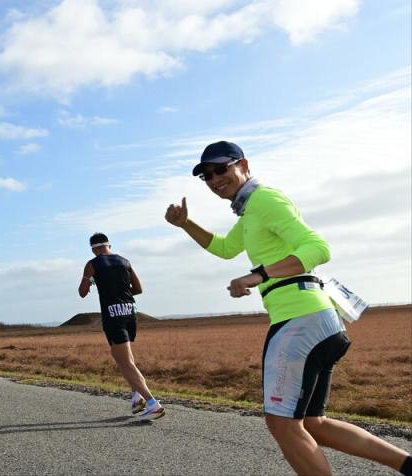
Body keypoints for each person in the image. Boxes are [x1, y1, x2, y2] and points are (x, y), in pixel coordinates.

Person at [165, 141, 412, 476]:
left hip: (300, 320)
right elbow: (225, 248)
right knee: (313, 424)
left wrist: (258, 275)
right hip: (315, 322)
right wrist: (186, 224)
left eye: (220, 169)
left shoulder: (266, 199)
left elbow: (318, 248)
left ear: (244, 165)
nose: (214, 179)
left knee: (282, 425)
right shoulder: (251, 211)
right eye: (206, 175)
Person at [78, 233, 164, 420]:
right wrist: (121, 292)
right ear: (109, 245)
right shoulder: (125, 261)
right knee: (128, 360)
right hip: (130, 313)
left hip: (112, 314)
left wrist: (89, 279)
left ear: (93, 248)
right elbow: (138, 289)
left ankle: (152, 403)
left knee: (125, 363)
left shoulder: (93, 264)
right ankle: (137, 398)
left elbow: (82, 293)